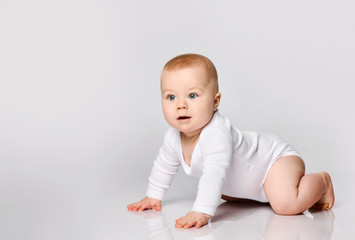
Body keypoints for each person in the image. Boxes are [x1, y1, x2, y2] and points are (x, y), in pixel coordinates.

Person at [127, 53, 335, 229]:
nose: (181, 105)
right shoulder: (172, 137)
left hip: (275, 161)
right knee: (227, 194)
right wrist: (153, 196)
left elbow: (214, 173)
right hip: (252, 182)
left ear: (215, 101)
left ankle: (322, 181)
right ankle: (259, 195)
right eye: (171, 97)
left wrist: (202, 210)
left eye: (192, 95)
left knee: (286, 204)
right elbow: (163, 166)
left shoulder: (216, 134)